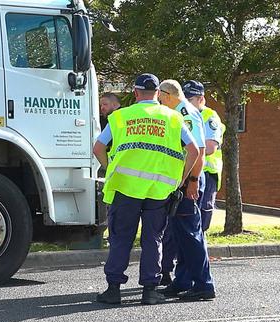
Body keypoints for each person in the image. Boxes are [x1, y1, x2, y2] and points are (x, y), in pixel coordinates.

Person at [93, 74, 199, 305]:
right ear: (158, 94)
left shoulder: (121, 116)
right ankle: (150, 291)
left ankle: (113, 290)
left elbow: (98, 147)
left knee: (121, 238)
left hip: (125, 188)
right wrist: (181, 180)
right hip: (159, 191)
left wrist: (110, 168)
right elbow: (194, 151)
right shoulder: (172, 118)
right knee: (153, 239)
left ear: (135, 92)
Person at [157, 79, 216, 301]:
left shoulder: (185, 113)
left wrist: (191, 181)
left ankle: (204, 284)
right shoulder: (177, 112)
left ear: (166, 94)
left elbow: (199, 152)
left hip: (188, 182)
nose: (158, 101)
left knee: (191, 234)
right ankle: (183, 281)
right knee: (180, 234)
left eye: (160, 97)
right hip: (179, 181)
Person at [183, 80, 225, 232]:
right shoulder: (184, 114)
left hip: (207, 173)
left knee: (201, 214)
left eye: (190, 100)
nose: (186, 103)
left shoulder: (209, 116)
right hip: (189, 170)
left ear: (201, 99)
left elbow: (209, 148)